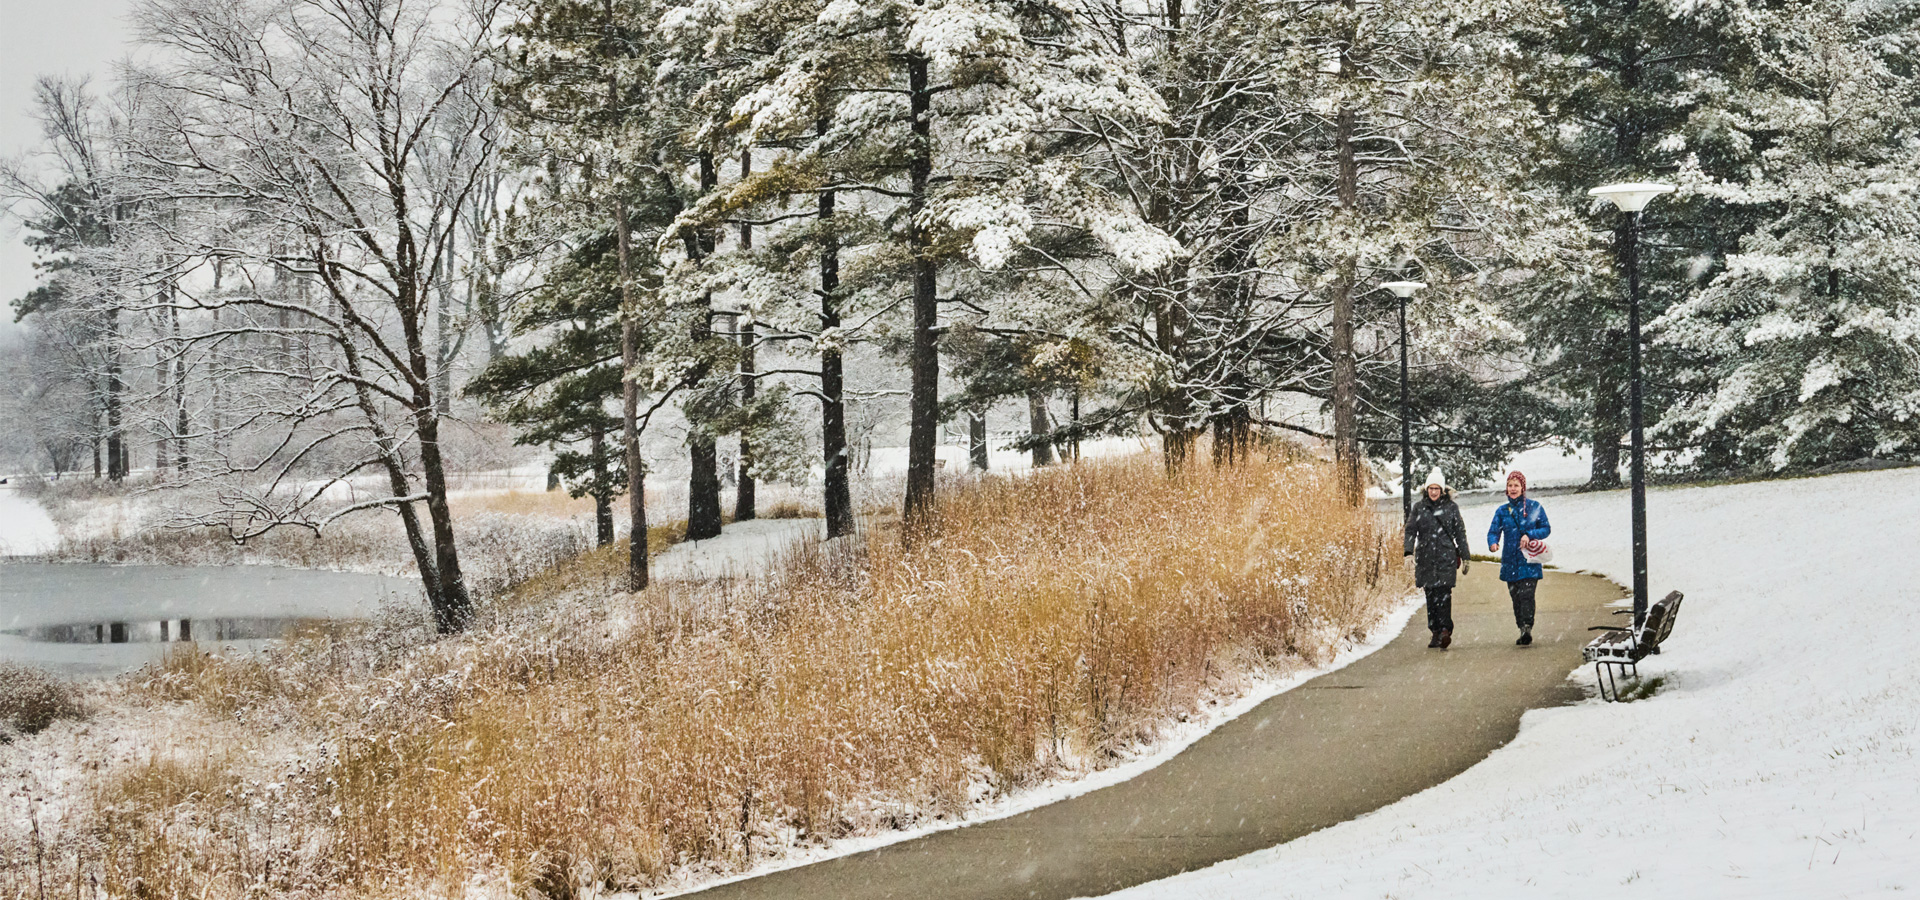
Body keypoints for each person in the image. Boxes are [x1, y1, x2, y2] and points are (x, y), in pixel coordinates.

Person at [1404, 468, 1471, 649]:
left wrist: (1466, 556)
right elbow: (1410, 531)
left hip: (1445, 558)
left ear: (1442, 490)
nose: (1434, 492)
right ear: (1426, 489)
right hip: (1426, 559)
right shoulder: (1419, 508)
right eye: (1431, 488)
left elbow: (1460, 533)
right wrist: (1408, 552)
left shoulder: (1451, 508)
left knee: (1444, 595)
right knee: (1431, 596)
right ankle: (1434, 631)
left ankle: (1444, 631)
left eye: (1437, 488)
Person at [1487, 470, 1551, 646]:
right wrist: (1493, 543)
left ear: (1523, 488)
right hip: (1510, 561)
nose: (1513, 488)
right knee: (1515, 597)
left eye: (1516, 485)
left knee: (1527, 595)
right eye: (1510, 485)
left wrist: (1529, 535)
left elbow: (1546, 528)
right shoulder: (1502, 511)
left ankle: (1527, 627)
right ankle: (1521, 627)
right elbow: (1493, 531)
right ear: (1506, 489)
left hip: (1529, 560)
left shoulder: (1534, 507)